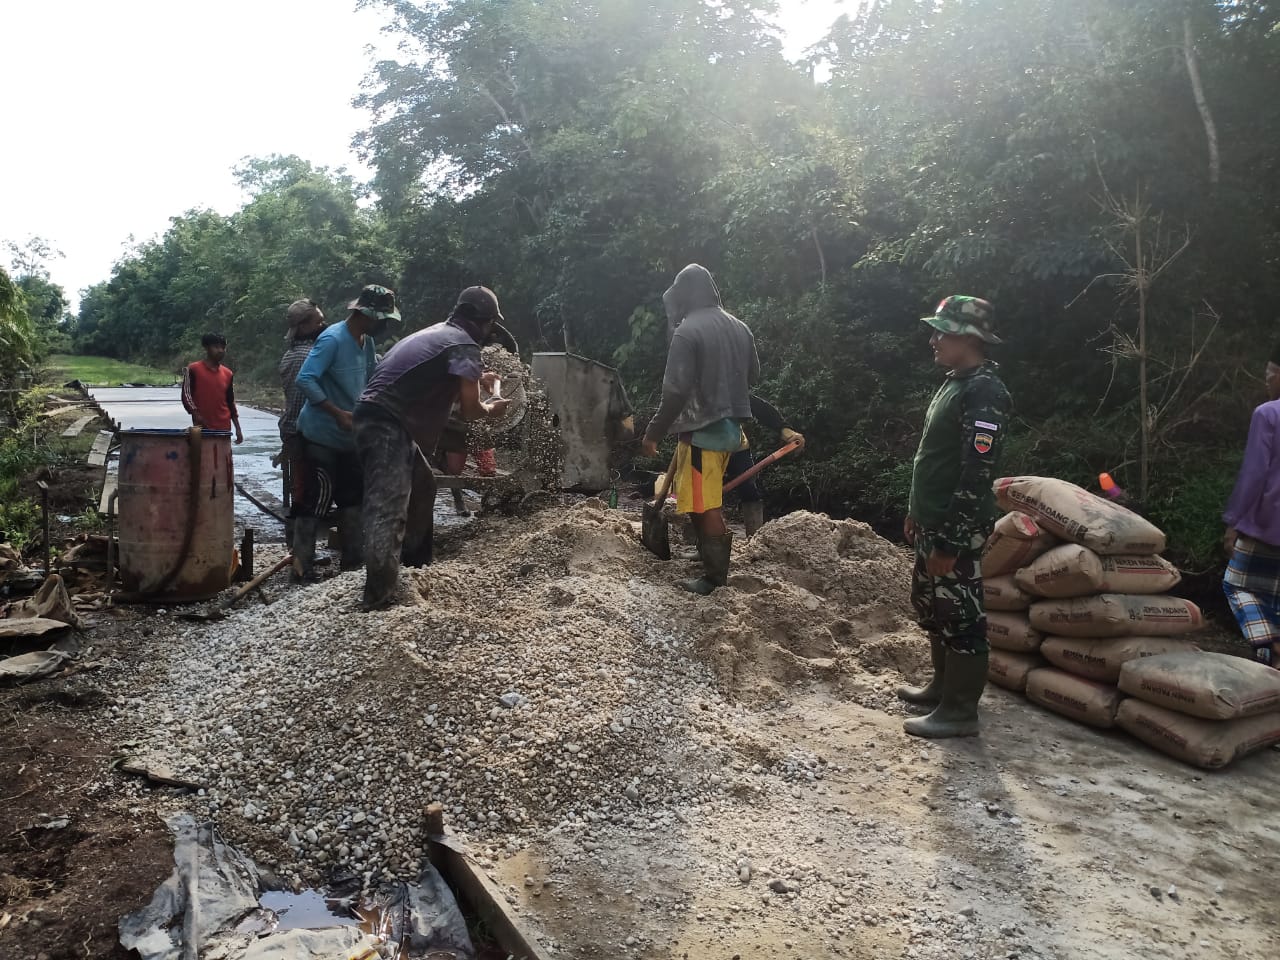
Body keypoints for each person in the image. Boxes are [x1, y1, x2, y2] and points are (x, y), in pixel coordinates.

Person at [353, 286, 511, 611]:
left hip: (386, 419)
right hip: (386, 422)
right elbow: (470, 411)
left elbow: (436, 378)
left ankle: (415, 570)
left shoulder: (442, 333)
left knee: (423, 487)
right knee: (389, 508)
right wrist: (491, 407)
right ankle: (378, 599)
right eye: (490, 326)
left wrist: (476, 378)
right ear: (484, 322)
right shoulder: (464, 344)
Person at [897, 295, 1011, 739]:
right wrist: (915, 512)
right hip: (932, 519)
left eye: (941, 332)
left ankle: (961, 711)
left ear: (968, 337)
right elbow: (933, 456)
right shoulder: (956, 382)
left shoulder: (985, 392)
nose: (933, 339)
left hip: (955, 525)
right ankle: (942, 688)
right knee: (932, 605)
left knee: (961, 614)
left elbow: (976, 471)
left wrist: (950, 539)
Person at [640, 263, 760, 595]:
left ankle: (714, 579)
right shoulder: (740, 327)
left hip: (703, 435)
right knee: (697, 500)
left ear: (684, 295)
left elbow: (676, 391)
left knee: (706, 505)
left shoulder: (687, 331)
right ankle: (706, 553)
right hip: (733, 433)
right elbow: (753, 376)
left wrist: (653, 433)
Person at [292, 285, 397, 581]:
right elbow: (306, 379)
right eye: (382, 318)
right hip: (321, 435)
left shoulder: (367, 343)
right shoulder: (332, 339)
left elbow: (371, 379)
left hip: (351, 436)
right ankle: (301, 567)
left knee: (353, 499)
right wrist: (337, 414)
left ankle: (353, 564)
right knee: (315, 499)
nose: (384, 325)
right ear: (365, 314)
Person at [1221, 346, 1280, 667]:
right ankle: (1267, 660)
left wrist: (1233, 523)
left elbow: (1254, 474)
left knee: (1235, 584)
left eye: (1269, 375)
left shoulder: (1268, 413)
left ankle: (1271, 645)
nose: (1267, 382)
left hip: (1267, 527)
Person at [277, 299, 326, 545]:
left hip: (295, 429)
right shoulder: (307, 356)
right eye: (318, 321)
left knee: (302, 488)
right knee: (306, 491)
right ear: (304, 326)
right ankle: (300, 553)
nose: (323, 324)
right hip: (302, 432)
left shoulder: (293, 353)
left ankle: (299, 550)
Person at [181, 332, 244, 444]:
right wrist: (196, 414)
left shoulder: (228, 373)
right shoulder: (193, 369)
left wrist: (238, 428)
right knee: (202, 459)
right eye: (216, 347)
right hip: (202, 428)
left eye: (223, 347)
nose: (220, 350)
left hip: (224, 428)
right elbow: (186, 395)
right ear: (206, 348)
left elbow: (230, 402)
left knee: (222, 460)